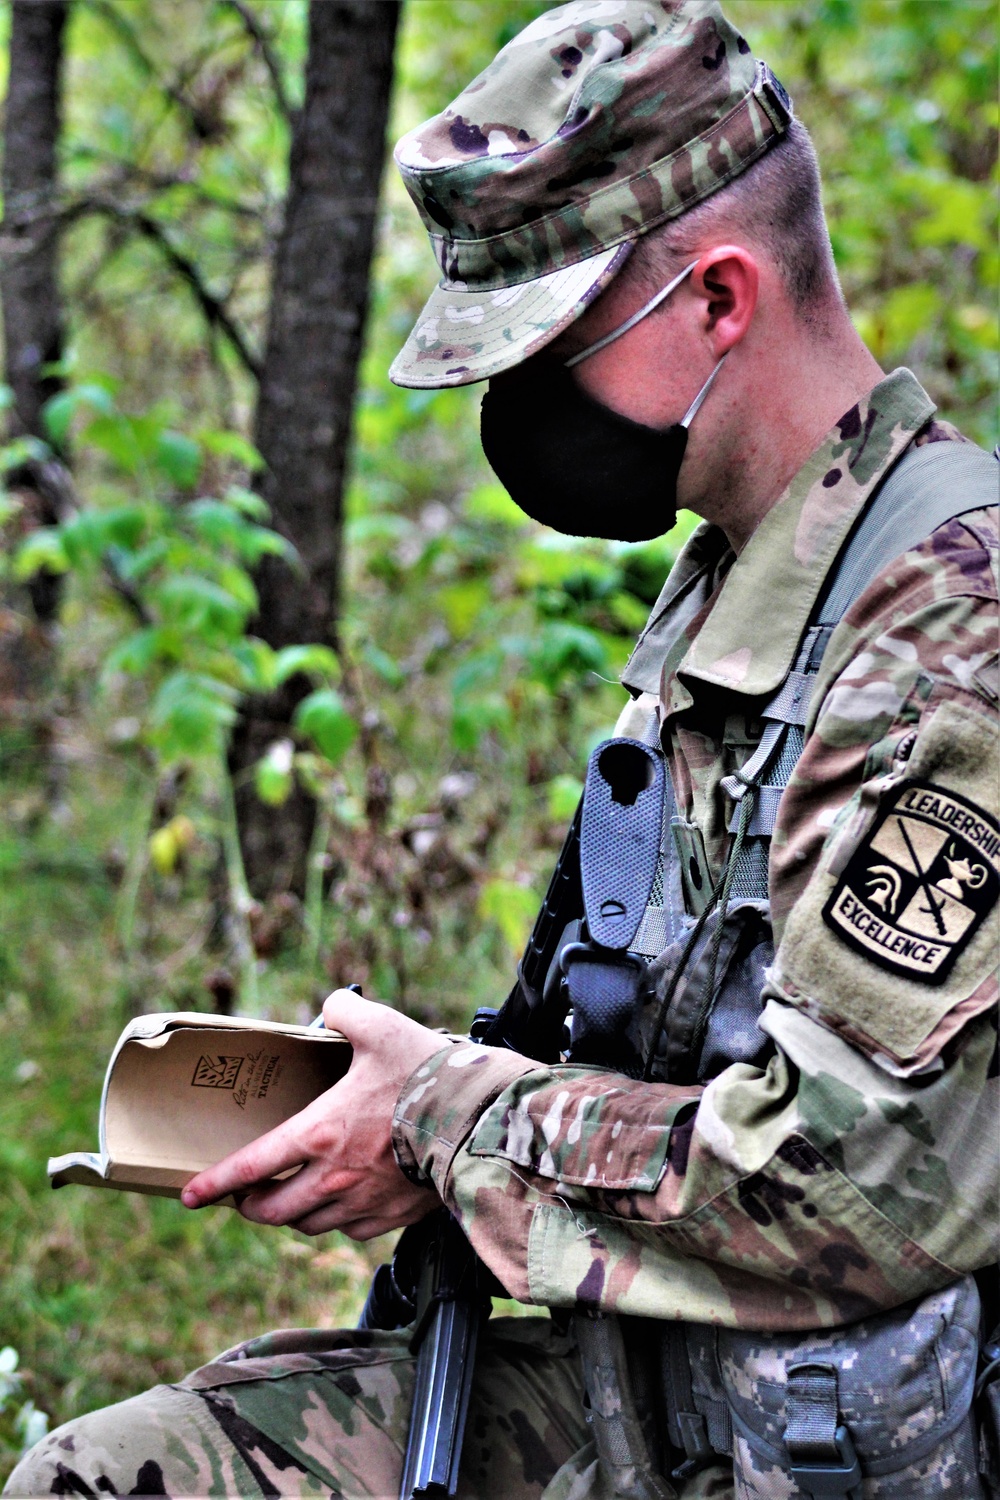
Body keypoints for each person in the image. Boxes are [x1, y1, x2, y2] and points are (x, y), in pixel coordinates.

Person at [7, 3, 997, 1497]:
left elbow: (854, 1184)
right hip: (660, 1393)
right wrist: (380, 1096)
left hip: (854, 1446)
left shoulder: (947, 634)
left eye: (547, 348)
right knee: (121, 1477)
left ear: (720, 299)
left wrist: (449, 1113)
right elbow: (631, 1036)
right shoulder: (738, 588)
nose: (512, 408)